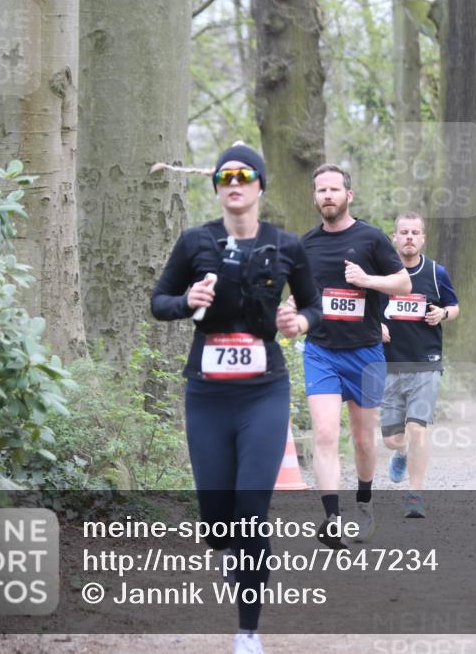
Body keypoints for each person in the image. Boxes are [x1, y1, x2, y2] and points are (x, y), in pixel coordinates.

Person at [151, 143, 322, 654]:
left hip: (263, 392)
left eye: (245, 175)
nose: (234, 182)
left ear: (260, 186)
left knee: (251, 510)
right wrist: (187, 301)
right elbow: (159, 302)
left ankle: (247, 631)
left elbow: (313, 304)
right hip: (206, 396)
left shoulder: (287, 246)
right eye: (225, 176)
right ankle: (226, 545)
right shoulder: (194, 242)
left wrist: (301, 321)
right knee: (216, 520)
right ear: (218, 187)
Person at [296, 163, 411, 548]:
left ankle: (364, 501)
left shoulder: (372, 239)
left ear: (349, 195)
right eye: (321, 190)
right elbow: (301, 295)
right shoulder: (306, 244)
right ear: (315, 197)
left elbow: (403, 282)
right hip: (321, 352)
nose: (327, 195)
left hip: (364, 353)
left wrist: (367, 281)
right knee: (326, 433)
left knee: (363, 440)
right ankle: (331, 518)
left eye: (334, 189)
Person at [379, 212, 460, 518]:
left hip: (426, 363)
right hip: (389, 366)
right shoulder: (384, 274)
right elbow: (369, 307)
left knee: (417, 429)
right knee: (392, 439)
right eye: (404, 232)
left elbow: (454, 307)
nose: (410, 237)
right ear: (395, 237)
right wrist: (375, 326)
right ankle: (400, 454)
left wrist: (443, 314)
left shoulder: (436, 273)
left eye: (415, 232)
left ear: (423, 238)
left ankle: (415, 494)